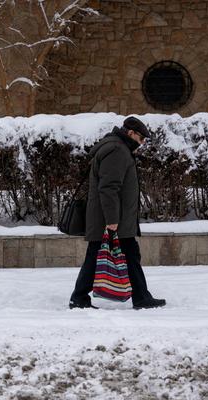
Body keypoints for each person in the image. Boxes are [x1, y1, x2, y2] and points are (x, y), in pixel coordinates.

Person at [69, 116, 166, 310]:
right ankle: (80, 298)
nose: (142, 143)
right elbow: (109, 187)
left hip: (115, 218)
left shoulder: (118, 148)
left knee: (125, 255)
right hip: (112, 219)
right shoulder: (117, 150)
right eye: (141, 138)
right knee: (103, 256)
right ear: (131, 133)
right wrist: (112, 220)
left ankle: (139, 297)